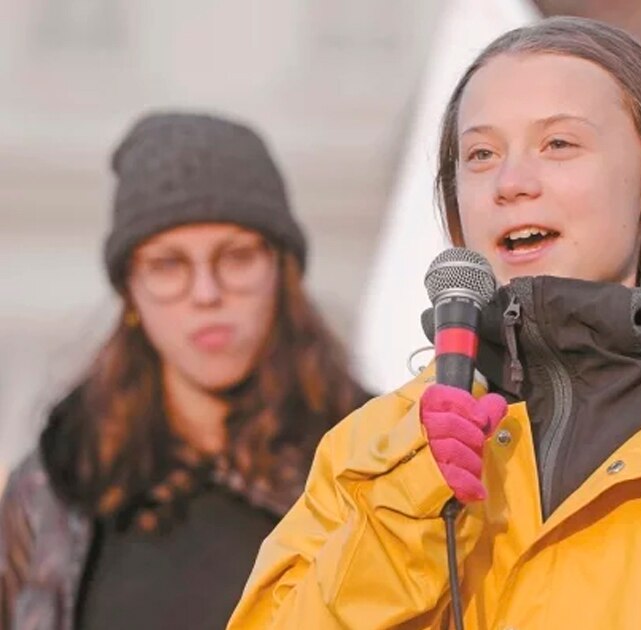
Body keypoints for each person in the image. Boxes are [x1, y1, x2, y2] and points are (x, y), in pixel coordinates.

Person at [230, 18, 641, 629]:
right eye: (481, 155)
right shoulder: (378, 449)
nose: (512, 181)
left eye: (559, 142)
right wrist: (406, 509)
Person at [0, 112, 369, 630]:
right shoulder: (55, 489)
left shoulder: (373, 463)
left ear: (281, 274)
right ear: (130, 290)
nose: (206, 293)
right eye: (168, 265)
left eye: (237, 256)